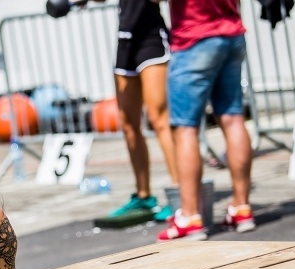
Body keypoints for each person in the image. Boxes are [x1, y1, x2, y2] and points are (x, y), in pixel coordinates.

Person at [157, 0, 255, 241]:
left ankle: (190, 217)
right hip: (231, 33)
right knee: (233, 118)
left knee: (185, 129)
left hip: (194, 39)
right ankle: (242, 208)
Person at [97, 0, 177, 222]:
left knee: (159, 119)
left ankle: (180, 193)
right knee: (129, 124)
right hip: (126, 43)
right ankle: (144, 196)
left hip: (151, 40)